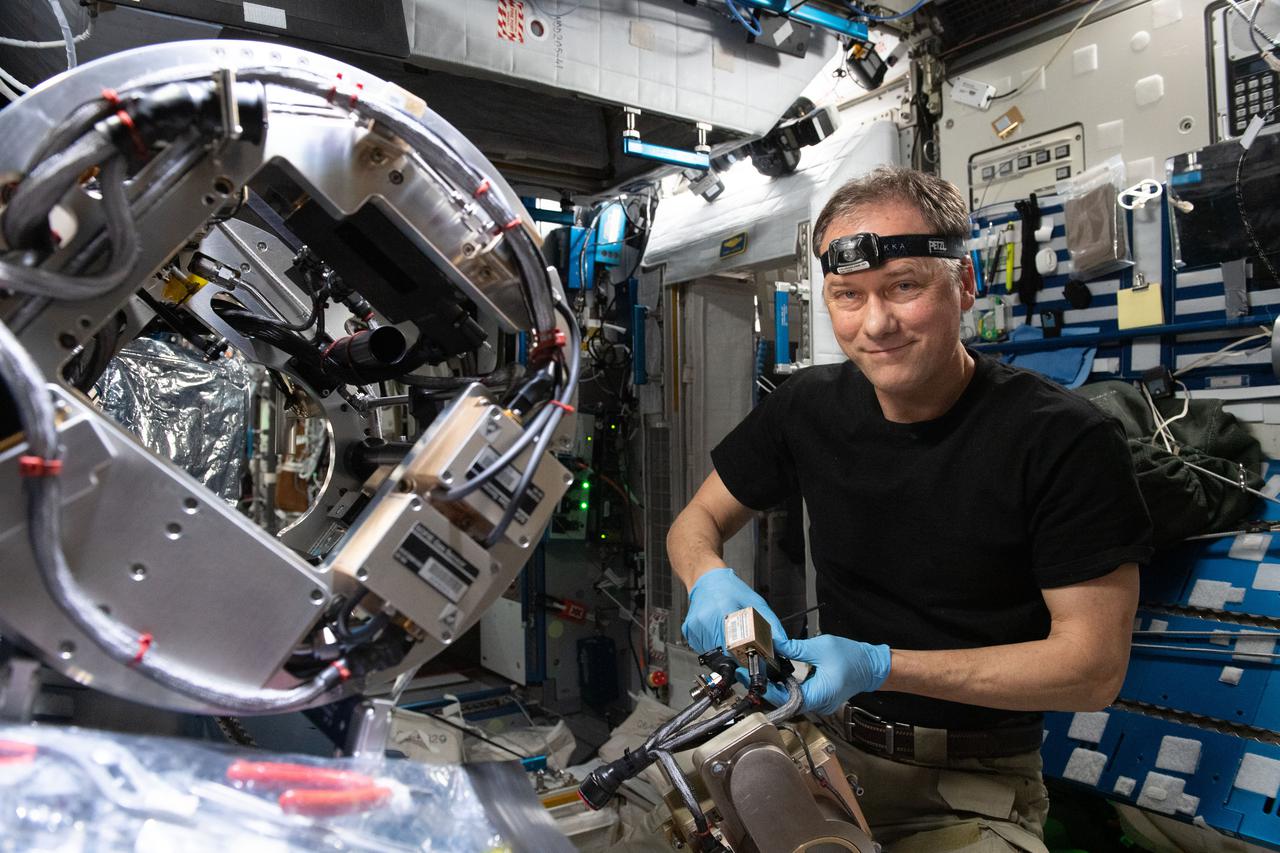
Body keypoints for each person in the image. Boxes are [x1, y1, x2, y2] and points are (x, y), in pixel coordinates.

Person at [667, 166, 1153, 852]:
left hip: (970, 780)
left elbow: (1093, 668)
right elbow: (695, 522)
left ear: (965, 283)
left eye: (903, 286)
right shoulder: (804, 409)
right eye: (847, 295)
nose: (876, 324)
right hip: (824, 747)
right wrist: (708, 576)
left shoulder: (1063, 438)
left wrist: (879, 664)